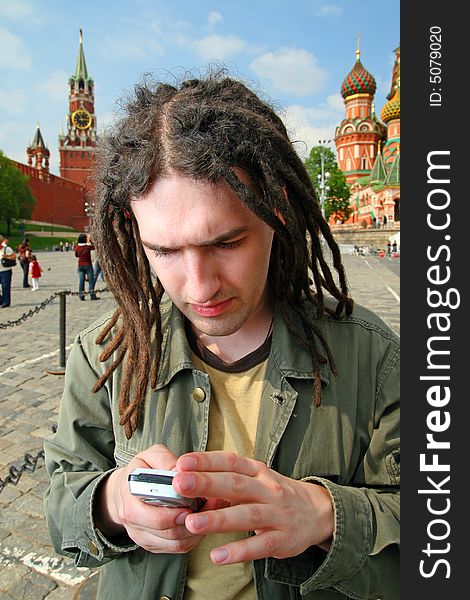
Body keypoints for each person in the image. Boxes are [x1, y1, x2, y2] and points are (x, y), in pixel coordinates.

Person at [44, 72, 400, 600]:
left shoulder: (374, 357)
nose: (200, 286)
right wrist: (113, 503)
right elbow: (62, 501)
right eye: (164, 251)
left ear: (277, 210)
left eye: (227, 242)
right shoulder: (105, 355)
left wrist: (325, 515)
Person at [74, 233, 98, 300]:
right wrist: (89, 241)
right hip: (88, 265)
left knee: (81, 281)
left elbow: (76, 255)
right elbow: (94, 247)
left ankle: (81, 296)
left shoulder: (77, 247)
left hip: (80, 266)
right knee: (91, 281)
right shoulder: (88, 247)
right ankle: (92, 296)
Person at [0, 235, 16, 308]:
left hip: (5, 271)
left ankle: (6, 302)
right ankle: (1, 300)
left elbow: (14, 257)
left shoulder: (7, 249)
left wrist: (7, 256)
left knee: (5, 286)